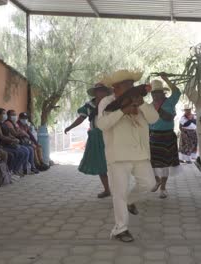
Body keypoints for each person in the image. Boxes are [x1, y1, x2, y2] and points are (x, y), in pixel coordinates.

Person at [97, 69, 159, 242]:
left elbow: (154, 119)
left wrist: (142, 105)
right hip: (117, 155)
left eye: (132, 85)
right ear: (116, 87)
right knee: (119, 193)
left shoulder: (140, 100)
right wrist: (122, 111)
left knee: (150, 184)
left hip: (140, 153)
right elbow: (102, 124)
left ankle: (130, 201)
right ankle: (120, 229)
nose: (132, 88)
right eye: (127, 85)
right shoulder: (107, 102)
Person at [64, 83, 112, 198]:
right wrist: (70, 127)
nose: (101, 93)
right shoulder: (89, 106)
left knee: (113, 164)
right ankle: (107, 190)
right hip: (95, 137)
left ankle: (117, 190)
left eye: (103, 90)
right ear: (95, 93)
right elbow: (81, 118)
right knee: (101, 165)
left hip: (110, 136)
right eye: (99, 91)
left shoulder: (112, 104)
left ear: (106, 92)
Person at [149, 75, 181, 199]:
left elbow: (177, 91)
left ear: (163, 93)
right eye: (153, 93)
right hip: (153, 136)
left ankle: (163, 188)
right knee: (151, 163)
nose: (155, 95)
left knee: (165, 164)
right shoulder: (149, 106)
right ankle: (157, 180)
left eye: (157, 92)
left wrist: (166, 79)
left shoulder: (170, 101)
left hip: (167, 136)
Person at [0, 108, 28, 176]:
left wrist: (14, 138)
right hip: (2, 145)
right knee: (13, 154)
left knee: (24, 152)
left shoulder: (4, 124)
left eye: (5, 113)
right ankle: (9, 172)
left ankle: (15, 170)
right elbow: (1, 136)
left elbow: (9, 134)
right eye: (3, 113)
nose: (5, 115)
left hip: (9, 144)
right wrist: (12, 140)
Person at [5, 110, 39, 174]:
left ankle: (33, 166)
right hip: (15, 142)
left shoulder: (17, 124)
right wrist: (23, 133)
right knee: (27, 150)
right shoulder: (8, 123)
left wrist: (35, 142)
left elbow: (28, 134)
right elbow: (16, 134)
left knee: (32, 148)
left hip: (20, 141)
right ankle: (22, 169)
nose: (14, 116)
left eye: (15, 114)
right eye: (12, 115)